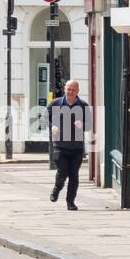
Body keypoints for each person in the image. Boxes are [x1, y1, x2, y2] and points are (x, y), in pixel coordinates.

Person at [48, 79, 89, 211]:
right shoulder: (55, 103)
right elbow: (44, 118)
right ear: (64, 89)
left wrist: (83, 125)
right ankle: (57, 188)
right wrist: (52, 126)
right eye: (68, 89)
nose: (70, 92)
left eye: (73, 90)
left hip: (76, 148)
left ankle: (70, 202)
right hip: (60, 146)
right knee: (62, 172)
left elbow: (89, 125)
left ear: (78, 91)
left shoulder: (83, 105)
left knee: (74, 175)